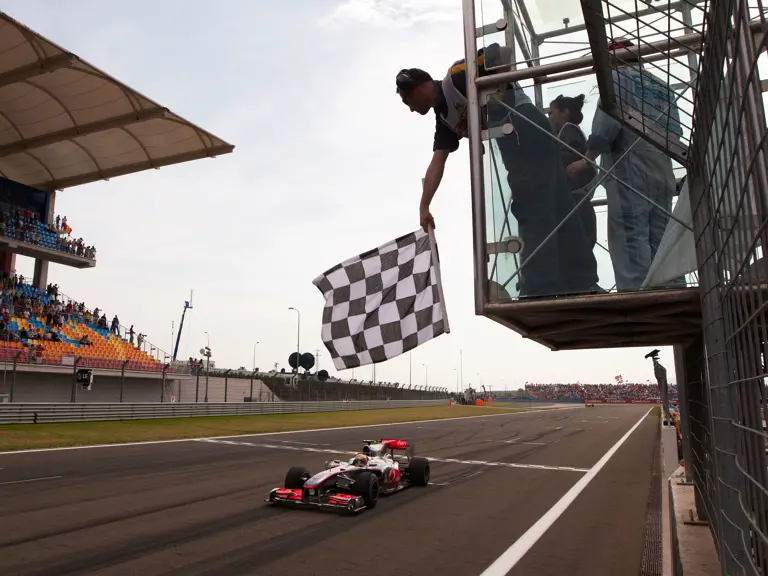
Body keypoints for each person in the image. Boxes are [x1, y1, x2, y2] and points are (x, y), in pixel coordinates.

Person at [396, 44, 600, 298]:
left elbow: (500, 50)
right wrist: (424, 206)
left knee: (531, 208)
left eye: (407, 101)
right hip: (517, 144)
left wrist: (500, 91)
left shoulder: (457, 77)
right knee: (559, 205)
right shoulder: (445, 120)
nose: (410, 109)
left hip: (523, 126)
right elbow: (438, 161)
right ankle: (582, 281)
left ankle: (539, 288)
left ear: (417, 87)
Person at [566, 39, 683, 292]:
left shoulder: (617, 78)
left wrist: (586, 159)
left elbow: (605, 126)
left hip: (629, 165)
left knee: (631, 233)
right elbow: (675, 133)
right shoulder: (661, 86)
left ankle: (637, 291)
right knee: (661, 232)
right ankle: (670, 285)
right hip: (662, 166)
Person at [547, 94, 598, 251]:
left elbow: (566, 160)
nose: (549, 117)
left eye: (551, 112)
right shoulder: (570, 132)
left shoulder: (568, 131)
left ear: (565, 112)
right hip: (579, 202)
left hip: (574, 202)